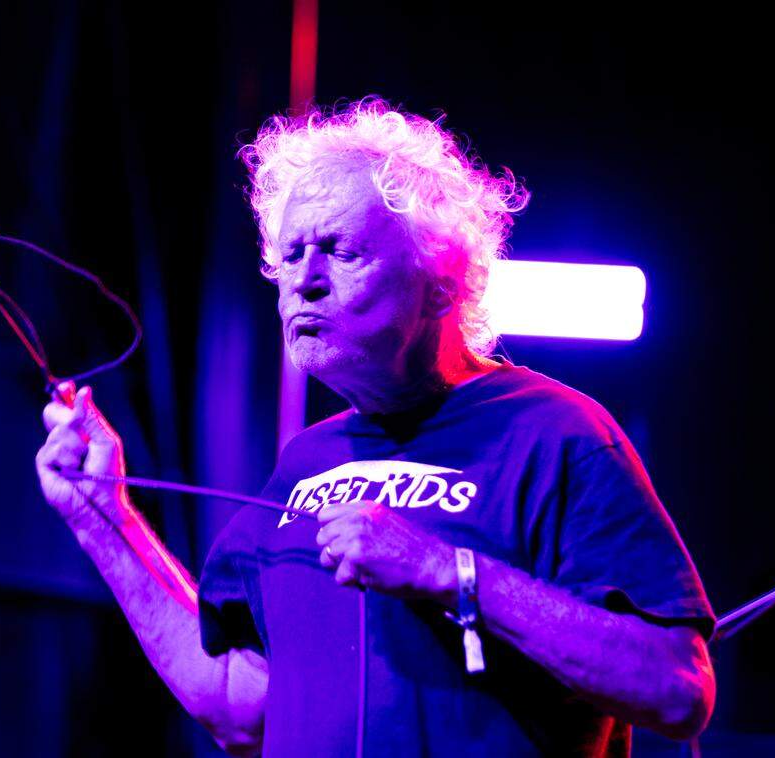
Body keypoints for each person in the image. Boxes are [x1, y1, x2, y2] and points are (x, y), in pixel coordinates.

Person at [35, 98, 716, 757]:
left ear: (440, 282)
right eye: (290, 255)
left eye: (339, 250)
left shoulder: (554, 432)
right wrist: (102, 517)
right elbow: (237, 709)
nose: (304, 282)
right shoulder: (304, 462)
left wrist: (443, 570)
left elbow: (676, 689)